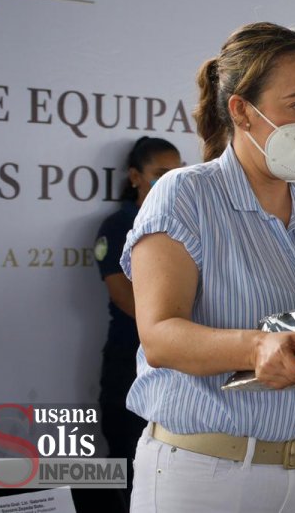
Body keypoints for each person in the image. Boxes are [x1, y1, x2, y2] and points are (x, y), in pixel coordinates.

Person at [120, 22, 295, 513]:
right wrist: (256, 346)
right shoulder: (185, 195)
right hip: (205, 476)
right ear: (242, 112)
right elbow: (160, 337)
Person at [94, 136, 182, 504]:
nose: (170, 182)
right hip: (128, 366)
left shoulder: (183, 221)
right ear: (134, 176)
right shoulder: (118, 226)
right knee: (127, 482)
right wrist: (176, 325)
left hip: (175, 376)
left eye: (177, 174)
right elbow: (124, 296)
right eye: (160, 174)